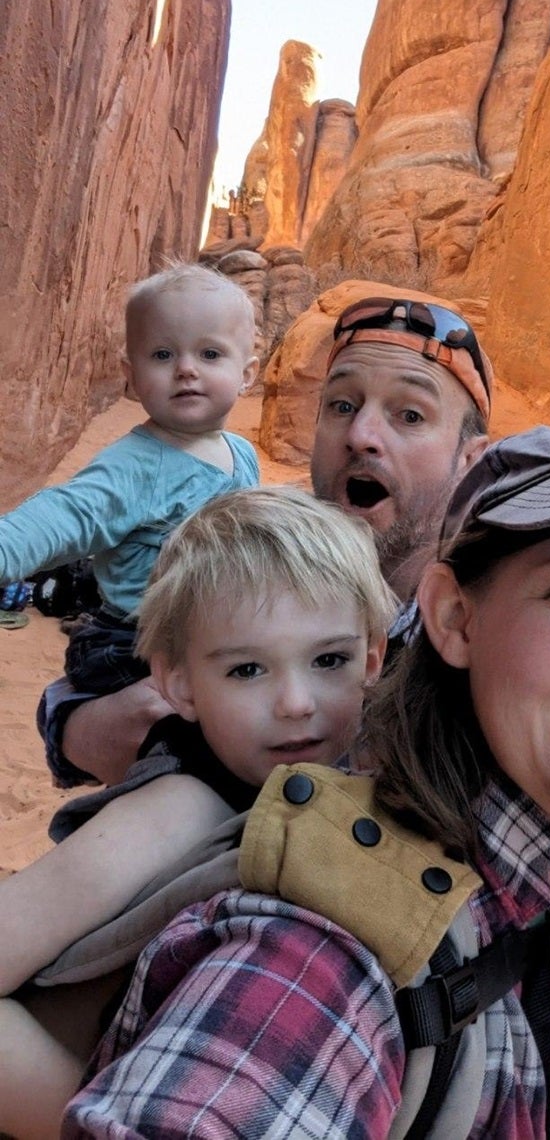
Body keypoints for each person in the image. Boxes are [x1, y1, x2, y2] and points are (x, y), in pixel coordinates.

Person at [41, 296, 550, 1133]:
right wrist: (84, 719)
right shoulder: (259, 570)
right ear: (455, 619)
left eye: (408, 414)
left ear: (468, 456)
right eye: (341, 405)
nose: (363, 436)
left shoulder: (519, 729)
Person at [0, 485, 395, 1140]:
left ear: (373, 659)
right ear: (177, 682)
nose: (296, 702)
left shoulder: (340, 778)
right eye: (247, 670)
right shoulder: (177, 811)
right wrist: (103, 1113)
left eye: (329, 660)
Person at [1, 263, 260, 700]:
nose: (186, 369)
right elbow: (63, 515)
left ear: (247, 374)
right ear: (131, 373)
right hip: (134, 648)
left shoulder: (243, 454)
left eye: (210, 354)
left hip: (211, 641)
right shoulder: (135, 466)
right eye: (162, 354)